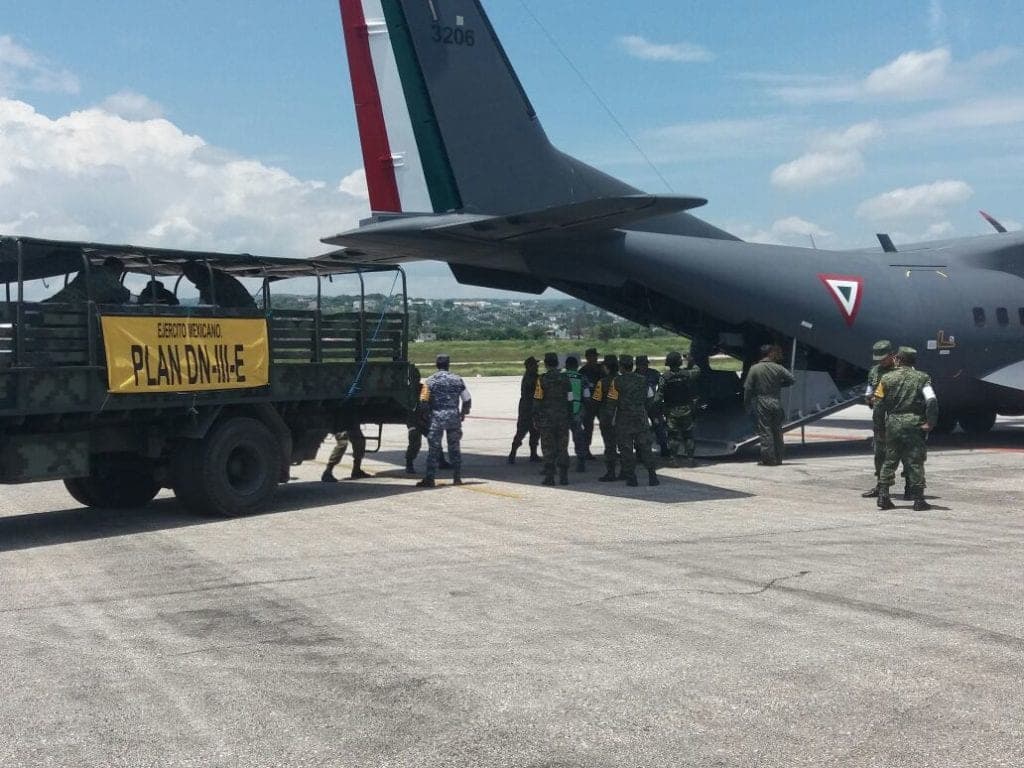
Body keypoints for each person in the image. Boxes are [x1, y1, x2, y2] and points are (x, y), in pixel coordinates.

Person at [873, 347, 938, 511]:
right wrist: (930, 422)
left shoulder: (886, 378)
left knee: (890, 459)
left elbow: (878, 406)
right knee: (915, 461)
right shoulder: (923, 378)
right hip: (914, 424)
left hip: (893, 423)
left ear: (898, 359)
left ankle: (883, 495)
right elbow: (931, 401)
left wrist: (879, 428)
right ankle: (918, 499)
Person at [417, 354, 471, 488]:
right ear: (448, 365)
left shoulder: (429, 381)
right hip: (453, 417)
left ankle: (430, 478)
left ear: (436, 365)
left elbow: (423, 401)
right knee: (454, 448)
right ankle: (457, 477)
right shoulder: (457, 380)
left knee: (434, 449)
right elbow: (467, 399)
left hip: (436, 417)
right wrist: (463, 413)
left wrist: (426, 416)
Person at [608, 354, 658, 487]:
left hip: (624, 420)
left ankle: (632, 478)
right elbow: (650, 398)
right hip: (641, 418)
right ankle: (652, 476)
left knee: (626, 449)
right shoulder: (643, 380)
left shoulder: (616, 381)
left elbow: (611, 402)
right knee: (645, 447)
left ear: (621, 367)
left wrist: (609, 419)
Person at [743, 344, 795, 466]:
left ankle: (769, 459)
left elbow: (748, 388)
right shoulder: (778, 368)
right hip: (776, 401)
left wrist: (746, 403)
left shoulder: (755, 368)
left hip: (762, 401)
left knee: (765, 430)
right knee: (777, 430)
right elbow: (792, 380)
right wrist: (779, 385)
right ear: (770, 354)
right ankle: (779, 457)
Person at [655, 350, 701, 467]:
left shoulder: (664, 378)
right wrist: (690, 361)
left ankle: (673, 459)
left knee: (673, 436)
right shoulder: (687, 374)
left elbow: (659, 396)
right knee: (688, 435)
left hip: (671, 411)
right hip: (687, 409)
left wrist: (655, 409)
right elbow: (697, 371)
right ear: (680, 362)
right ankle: (690, 459)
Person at [861, 339, 895, 497]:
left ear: (892, 355)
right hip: (879, 419)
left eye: (884, 358)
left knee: (906, 454)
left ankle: (911, 487)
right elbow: (870, 386)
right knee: (880, 453)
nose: (881, 361)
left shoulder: (902, 371)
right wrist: (868, 397)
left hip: (897, 419)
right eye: (879, 358)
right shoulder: (874, 371)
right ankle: (881, 486)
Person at [533, 351, 571, 486]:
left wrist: (536, 418)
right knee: (563, 447)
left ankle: (550, 477)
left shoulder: (542, 379)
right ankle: (564, 477)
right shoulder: (565, 379)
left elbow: (537, 400)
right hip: (563, 418)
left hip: (547, 420)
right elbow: (570, 398)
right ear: (557, 363)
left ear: (546, 364)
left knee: (548, 448)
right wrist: (570, 414)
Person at [46, 257, 130, 304]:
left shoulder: (90, 271)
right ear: (115, 268)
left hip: (54, 304)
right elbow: (123, 293)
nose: (119, 277)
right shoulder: (106, 274)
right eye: (120, 272)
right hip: (68, 309)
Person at [591, 354, 620, 481]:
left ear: (606, 367)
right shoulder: (624, 380)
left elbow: (596, 401)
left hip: (607, 418)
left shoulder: (602, 383)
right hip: (624, 417)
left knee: (610, 446)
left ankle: (611, 472)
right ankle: (626, 472)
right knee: (625, 445)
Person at [182, 260, 257, 309]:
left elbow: (208, 306)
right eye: (187, 275)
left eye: (190, 274)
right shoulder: (208, 279)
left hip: (245, 314)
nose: (190, 277)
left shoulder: (213, 280)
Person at [508, 356, 541, 464]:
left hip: (528, 407)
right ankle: (513, 453)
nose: (537, 366)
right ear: (529, 366)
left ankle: (532, 454)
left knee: (534, 432)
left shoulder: (532, 376)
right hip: (529, 407)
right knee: (523, 431)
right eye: (535, 365)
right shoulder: (531, 378)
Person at [637, 355, 670, 457]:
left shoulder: (653, 373)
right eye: (642, 365)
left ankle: (664, 448)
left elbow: (662, 385)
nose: (644, 366)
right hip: (639, 406)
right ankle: (639, 451)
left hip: (653, 406)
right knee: (640, 429)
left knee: (659, 426)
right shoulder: (633, 376)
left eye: (645, 364)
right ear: (637, 365)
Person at [564, 355, 589, 472]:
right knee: (578, 436)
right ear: (577, 366)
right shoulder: (582, 378)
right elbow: (587, 396)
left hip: (562, 411)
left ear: (566, 366)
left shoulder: (561, 377)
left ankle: (559, 462)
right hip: (577, 409)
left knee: (560, 438)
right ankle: (581, 461)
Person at [579, 348, 603, 459]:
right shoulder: (583, 371)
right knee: (588, 428)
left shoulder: (601, 369)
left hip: (601, 402)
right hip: (588, 404)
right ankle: (585, 450)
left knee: (606, 427)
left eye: (596, 356)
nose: (595, 358)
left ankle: (610, 449)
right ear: (588, 357)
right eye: (593, 356)